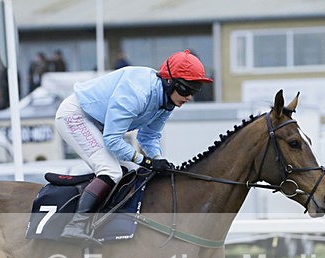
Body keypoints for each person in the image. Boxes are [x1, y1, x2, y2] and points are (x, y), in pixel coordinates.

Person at [54, 49, 212, 241]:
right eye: (186, 89)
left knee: (132, 172)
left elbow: (149, 137)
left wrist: (158, 160)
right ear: (169, 81)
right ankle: (75, 225)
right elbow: (112, 140)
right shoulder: (137, 93)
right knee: (111, 171)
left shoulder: (166, 101)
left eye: (194, 90)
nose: (189, 97)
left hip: (98, 124)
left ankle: (104, 226)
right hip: (75, 116)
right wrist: (147, 161)